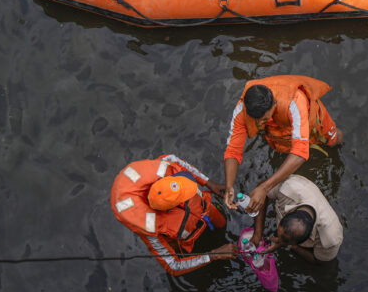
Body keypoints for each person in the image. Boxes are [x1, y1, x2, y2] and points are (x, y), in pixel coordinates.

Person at [222, 75, 343, 214]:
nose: (260, 123)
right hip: (280, 128)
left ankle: (338, 143)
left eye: (264, 119)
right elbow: (233, 150)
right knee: (285, 147)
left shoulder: (295, 101)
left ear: (274, 104)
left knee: (334, 139)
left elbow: (300, 153)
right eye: (257, 120)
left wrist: (265, 188)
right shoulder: (241, 110)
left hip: (310, 121)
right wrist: (229, 186)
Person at [110, 154, 237, 275]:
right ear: (170, 208)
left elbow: (174, 160)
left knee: (221, 222)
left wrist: (209, 183)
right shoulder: (150, 231)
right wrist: (214, 255)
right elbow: (173, 265)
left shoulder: (165, 168)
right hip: (189, 239)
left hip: (204, 211)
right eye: (185, 194)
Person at [249, 174, 343, 263]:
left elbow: (320, 261)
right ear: (287, 214)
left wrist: (292, 247)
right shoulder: (287, 188)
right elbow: (262, 190)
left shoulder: (331, 238)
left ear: (306, 239)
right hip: (301, 187)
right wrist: (258, 232)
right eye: (280, 237)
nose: (278, 240)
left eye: (285, 241)